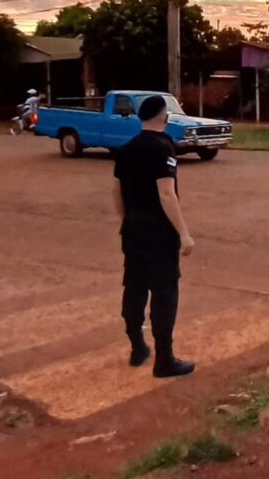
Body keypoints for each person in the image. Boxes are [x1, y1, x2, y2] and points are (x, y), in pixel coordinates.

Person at [112, 95, 196, 378]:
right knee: (164, 293)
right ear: (164, 117)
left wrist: (128, 221)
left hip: (133, 229)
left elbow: (116, 193)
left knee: (134, 288)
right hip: (159, 233)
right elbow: (166, 194)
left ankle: (137, 347)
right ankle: (165, 360)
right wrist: (184, 234)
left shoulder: (125, 149)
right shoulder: (163, 148)